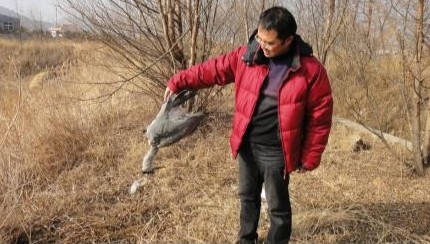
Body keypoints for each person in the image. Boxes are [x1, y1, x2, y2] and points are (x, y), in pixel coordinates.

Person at [164, 6, 333, 244]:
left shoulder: (310, 71)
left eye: (269, 42)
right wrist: (178, 81)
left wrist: (311, 156)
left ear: (288, 41)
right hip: (247, 145)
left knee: (278, 209)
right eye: (259, 38)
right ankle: (246, 239)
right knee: (247, 198)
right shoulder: (247, 56)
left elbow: (320, 118)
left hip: (277, 151)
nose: (262, 45)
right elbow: (211, 70)